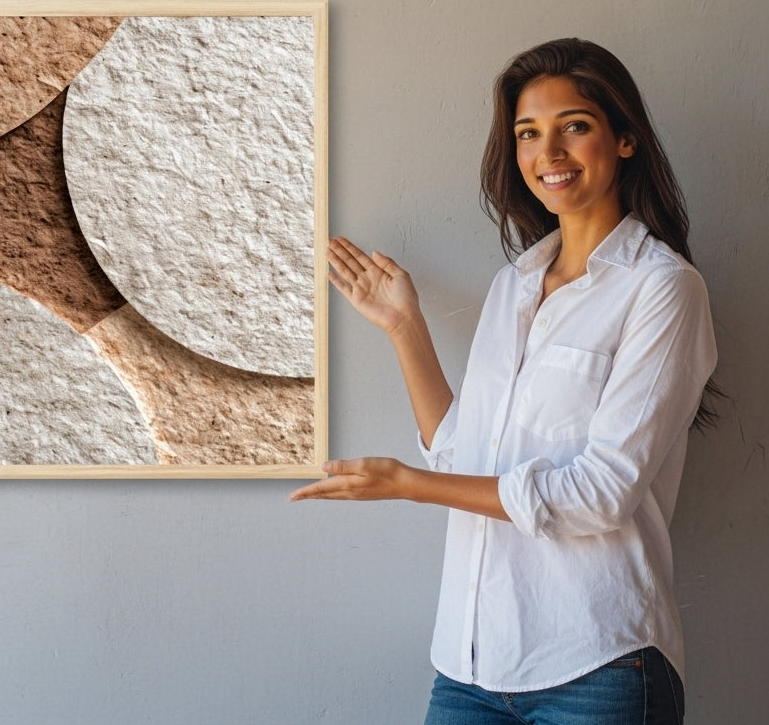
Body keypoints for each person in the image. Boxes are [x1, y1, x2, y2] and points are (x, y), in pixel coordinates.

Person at [290, 39, 717, 725]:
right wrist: (405, 327)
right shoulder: (513, 285)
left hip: (598, 665)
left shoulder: (663, 290)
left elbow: (600, 495)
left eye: (574, 126)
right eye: (528, 133)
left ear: (626, 139)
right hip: (468, 665)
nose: (549, 151)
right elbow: (464, 459)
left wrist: (408, 487)